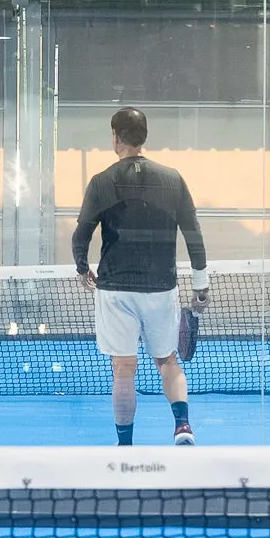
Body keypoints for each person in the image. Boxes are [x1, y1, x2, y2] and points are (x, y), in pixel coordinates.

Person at [72, 107, 208, 446]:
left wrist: (82, 266)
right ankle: (183, 426)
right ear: (143, 136)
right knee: (168, 360)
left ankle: (125, 447)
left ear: (115, 137)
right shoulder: (173, 179)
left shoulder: (101, 181)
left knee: (123, 368)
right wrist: (201, 285)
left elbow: (81, 234)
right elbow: (193, 233)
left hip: (115, 290)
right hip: (161, 287)